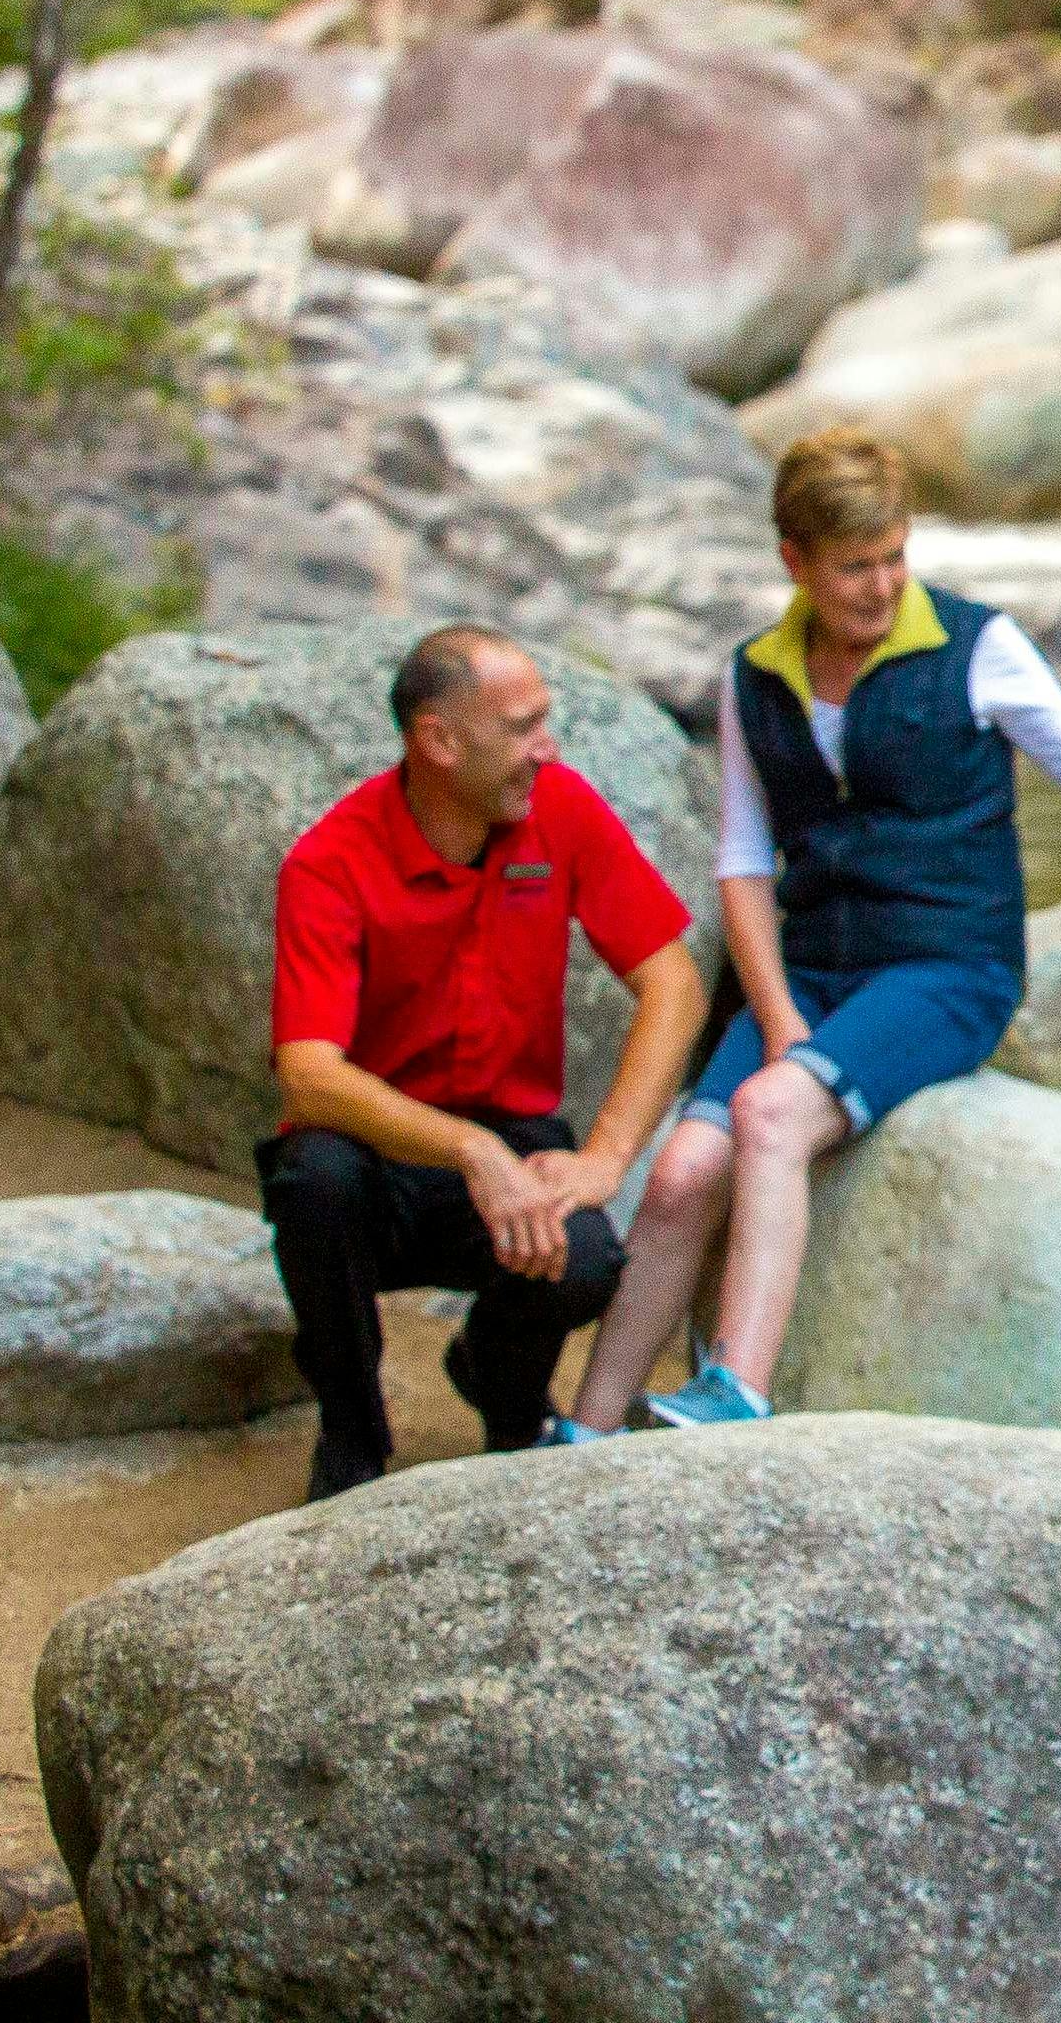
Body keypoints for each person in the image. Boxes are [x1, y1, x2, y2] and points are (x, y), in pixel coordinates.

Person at [562, 427, 1061, 1434]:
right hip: (811, 972)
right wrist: (775, 1009)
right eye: (855, 567)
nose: (883, 584)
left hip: (946, 967)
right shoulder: (754, 678)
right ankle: (583, 1428)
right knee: (679, 1171)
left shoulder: (977, 648)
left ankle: (738, 1394)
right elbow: (745, 861)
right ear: (794, 563)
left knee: (770, 1116)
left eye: (895, 556)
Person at [261, 624, 708, 1500]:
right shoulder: (328, 861)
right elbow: (308, 1073)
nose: (547, 749)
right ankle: (351, 1433)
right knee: (313, 1183)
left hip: (516, 1134)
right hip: (377, 1152)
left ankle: (503, 1394)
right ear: (438, 740)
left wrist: (605, 1158)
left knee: (583, 1257)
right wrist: (470, 1151)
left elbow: (675, 986)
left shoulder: (562, 809)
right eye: (522, 727)